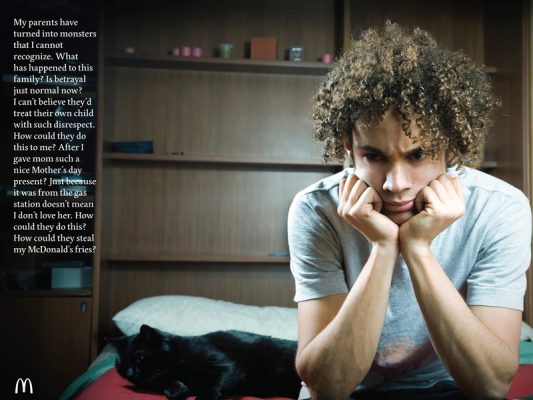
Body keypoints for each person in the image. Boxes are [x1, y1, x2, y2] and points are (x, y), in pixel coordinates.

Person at [288, 21, 531, 400]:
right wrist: (384, 248)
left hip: (450, 387)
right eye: (374, 156)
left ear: (449, 147)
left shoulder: (500, 208)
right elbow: (327, 386)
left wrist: (417, 249)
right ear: (348, 148)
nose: (395, 183)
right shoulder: (316, 210)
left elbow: (490, 385)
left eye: (418, 154)